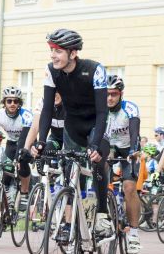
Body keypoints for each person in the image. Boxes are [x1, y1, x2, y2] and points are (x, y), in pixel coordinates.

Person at [24, 28, 112, 240]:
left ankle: (102, 213)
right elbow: (46, 110)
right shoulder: (51, 71)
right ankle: (68, 222)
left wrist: (95, 143)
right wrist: (42, 141)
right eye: (51, 50)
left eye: (58, 51)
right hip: (72, 125)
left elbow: (102, 112)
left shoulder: (95, 70)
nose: (53, 55)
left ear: (73, 53)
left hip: (95, 124)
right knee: (68, 167)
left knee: (98, 160)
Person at [102, 75, 143, 254]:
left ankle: (133, 233)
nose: (110, 98)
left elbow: (134, 133)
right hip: (109, 147)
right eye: (107, 94)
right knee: (100, 181)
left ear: (121, 94)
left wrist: (134, 150)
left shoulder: (130, 109)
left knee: (129, 187)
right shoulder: (99, 109)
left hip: (128, 149)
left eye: (114, 94)